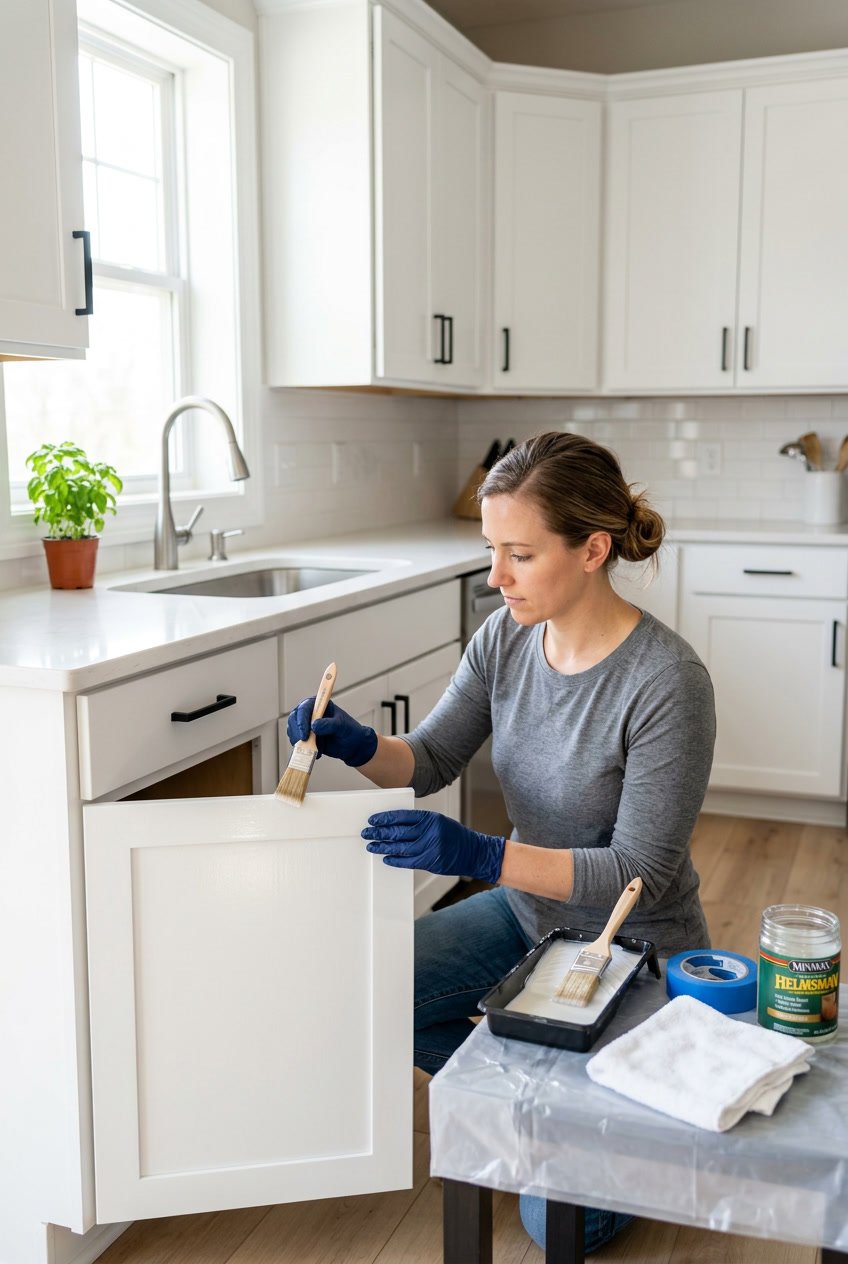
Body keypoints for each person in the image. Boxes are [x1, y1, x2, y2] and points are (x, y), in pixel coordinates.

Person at [287, 430, 716, 1254]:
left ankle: (584, 1106)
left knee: (562, 1225)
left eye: (518, 553)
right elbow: (431, 758)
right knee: (375, 991)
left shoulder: (667, 682)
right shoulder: (506, 638)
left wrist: (481, 857)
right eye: (492, 550)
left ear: (594, 549)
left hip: (628, 948)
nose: (495, 577)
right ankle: (537, 1099)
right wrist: (355, 743)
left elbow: (640, 872)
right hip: (526, 919)